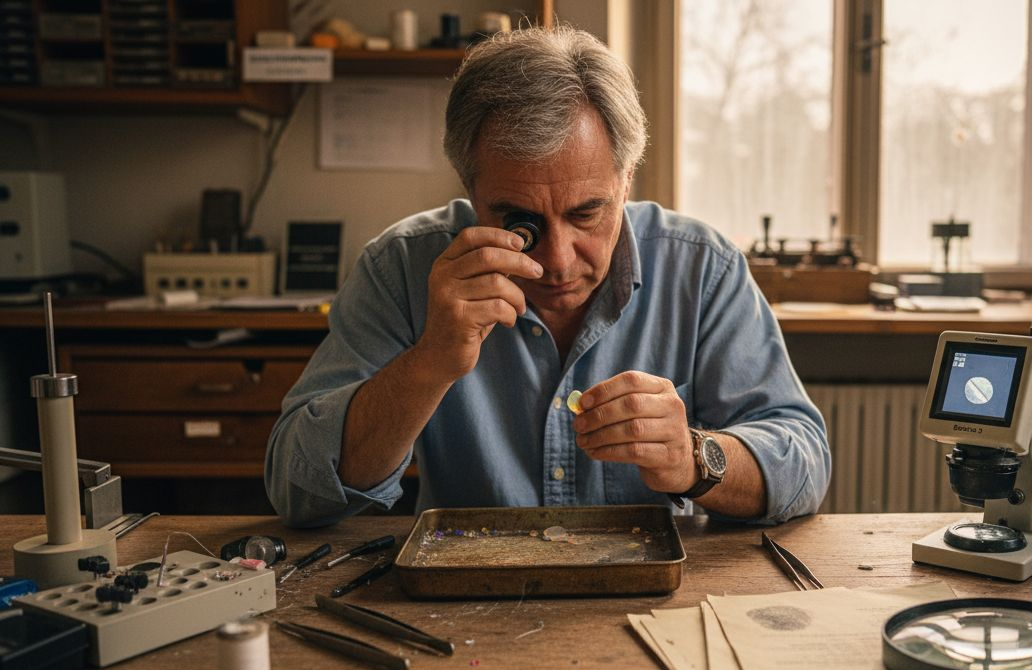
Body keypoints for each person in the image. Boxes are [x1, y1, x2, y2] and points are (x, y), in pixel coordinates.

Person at [265, 25, 830, 528]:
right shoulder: (402, 270)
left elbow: (804, 463)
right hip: (468, 608)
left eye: (587, 213)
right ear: (471, 191)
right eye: (521, 224)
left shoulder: (701, 267)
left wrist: (692, 458)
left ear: (626, 180)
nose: (558, 261)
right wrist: (430, 363)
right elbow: (297, 489)